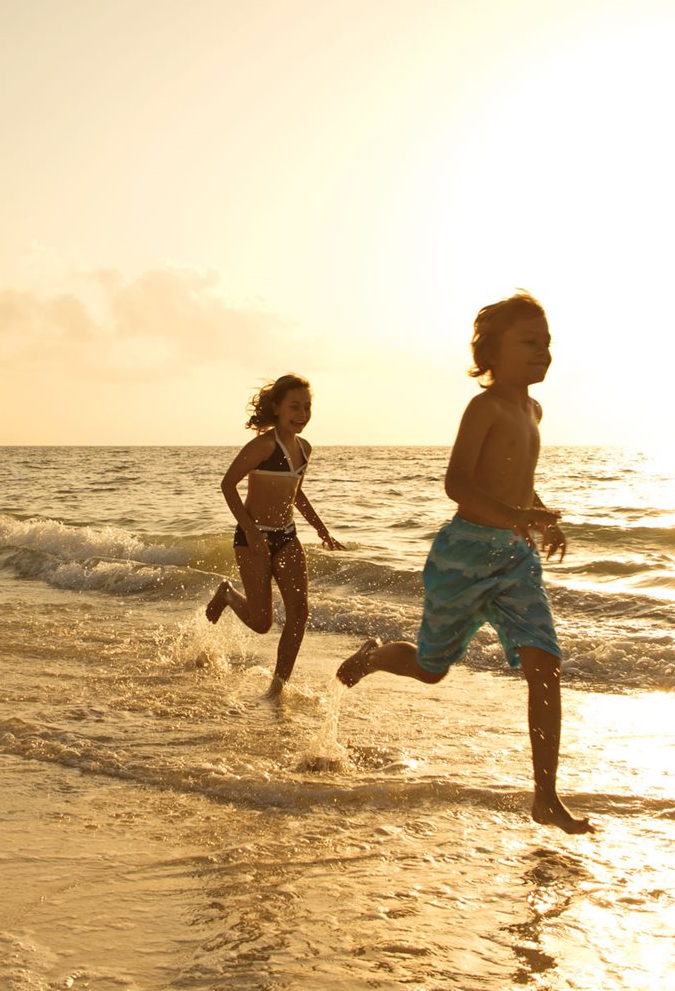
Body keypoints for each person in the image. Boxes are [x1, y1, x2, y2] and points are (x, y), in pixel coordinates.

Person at [335, 293, 590, 833]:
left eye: (547, 343)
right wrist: (518, 512)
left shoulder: (532, 410)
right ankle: (377, 656)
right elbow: (458, 485)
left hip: (516, 561)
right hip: (466, 556)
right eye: (529, 342)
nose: (543, 352)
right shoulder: (486, 407)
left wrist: (538, 516)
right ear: (491, 351)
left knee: (545, 666)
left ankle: (545, 795)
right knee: (431, 670)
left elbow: (515, 480)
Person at [206, 374, 344, 696]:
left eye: (307, 407)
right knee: (261, 623)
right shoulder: (263, 445)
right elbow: (228, 485)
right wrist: (252, 532)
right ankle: (227, 593)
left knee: (300, 613)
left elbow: (296, 494)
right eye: (295, 406)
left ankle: (277, 688)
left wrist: (322, 530)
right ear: (277, 408)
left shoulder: (305, 449)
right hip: (253, 538)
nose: (302, 414)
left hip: (287, 537)